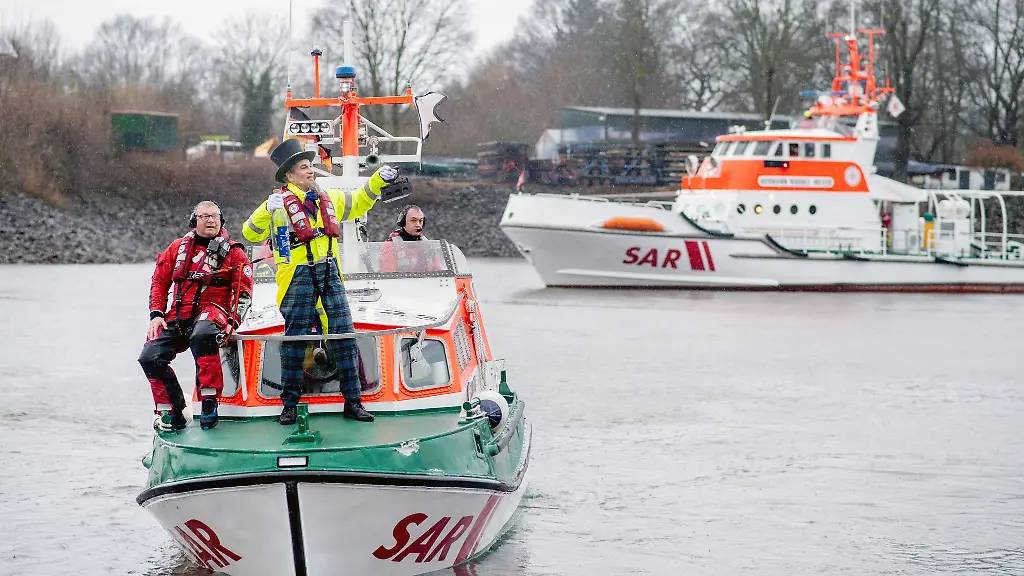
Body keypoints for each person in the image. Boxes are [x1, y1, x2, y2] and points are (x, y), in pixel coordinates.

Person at [242, 138, 409, 425]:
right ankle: (290, 405)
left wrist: (377, 181)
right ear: (289, 175)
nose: (311, 171)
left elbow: (358, 204)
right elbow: (250, 233)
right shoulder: (277, 204)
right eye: (304, 167)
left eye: (311, 166)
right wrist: (265, 209)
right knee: (294, 343)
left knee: (344, 335)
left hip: (331, 272)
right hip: (296, 276)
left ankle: (353, 401)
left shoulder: (327, 197)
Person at [139, 201, 254, 432]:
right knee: (149, 357)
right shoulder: (176, 248)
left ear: (221, 220)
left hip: (214, 313)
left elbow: (244, 293)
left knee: (202, 335)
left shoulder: (234, 253)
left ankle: (209, 400)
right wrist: (156, 314)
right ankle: (173, 411)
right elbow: (160, 282)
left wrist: (233, 322)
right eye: (204, 216)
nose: (210, 220)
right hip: (178, 315)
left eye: (214, 216)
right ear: (195, 220)